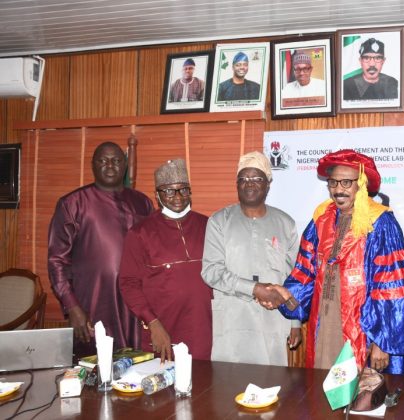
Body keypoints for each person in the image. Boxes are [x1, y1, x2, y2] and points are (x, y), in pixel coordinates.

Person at [270, 150, 404, 374]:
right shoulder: (321, 218)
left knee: (360, 389)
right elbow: (305, 271)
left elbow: (392, 287)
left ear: (361, 185)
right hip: (326, 320)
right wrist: (285, 296)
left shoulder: (381, 223)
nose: (338, 189)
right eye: (333, 182)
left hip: (364, 328)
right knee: (323, 381)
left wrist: (382, 341)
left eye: (346, 183)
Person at [48, 142, 153, 356]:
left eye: (116, 160)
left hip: (135, 305)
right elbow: (57, 261)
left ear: (124, 165)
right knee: (95, 367)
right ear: (93, 165)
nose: (110, 165)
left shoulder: (142, 203)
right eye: (103, 160)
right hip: (93, 303)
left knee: (136, 365)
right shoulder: (73, 203)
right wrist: (72, 306)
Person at [201, 151, 300, 366]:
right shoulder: (219, 221)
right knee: (229, 382)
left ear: (268, 184)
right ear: (237, 184)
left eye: (257, 178)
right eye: (243, 178)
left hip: (272, 320)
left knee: (271, 382)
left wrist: (295, 322)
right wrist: (254, 288)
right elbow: (211, 272)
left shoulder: (286, 223)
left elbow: (293, 277)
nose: (249, 183)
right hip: (233, 320)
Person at [119, 159, 213, 362]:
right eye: (169, 191)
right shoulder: (140, 233)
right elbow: (128, 283)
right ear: (157, 195)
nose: (178, 197)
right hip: (163, 331)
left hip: (204, 330)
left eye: (183, 190)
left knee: (204, 379)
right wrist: (152, 323)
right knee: (164, 380)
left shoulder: (208, 226)